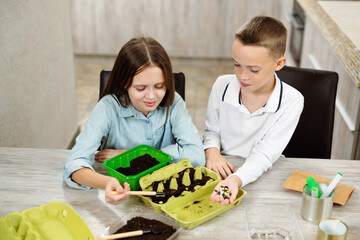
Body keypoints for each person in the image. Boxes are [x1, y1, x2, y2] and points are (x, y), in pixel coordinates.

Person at [63, 37, 205, 204]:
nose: (152, 96)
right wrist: (107, 182)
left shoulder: (174, 103)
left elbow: (196, 156)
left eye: (159, 86)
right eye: (141, 88)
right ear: (125, 83)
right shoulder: (107, 108)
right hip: (122, 200)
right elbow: (74, 165)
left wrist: (135, 157)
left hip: (165, 195)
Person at [204, 16, 304, 204]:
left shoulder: (293, 101)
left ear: (279, 64)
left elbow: (265, 154)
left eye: (254, 70)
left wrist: (235, 180)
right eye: (237, 64)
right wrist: (212, 153)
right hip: (222, 169)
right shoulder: (221, 85)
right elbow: (211, 131)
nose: (242, 76)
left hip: (261, 176)